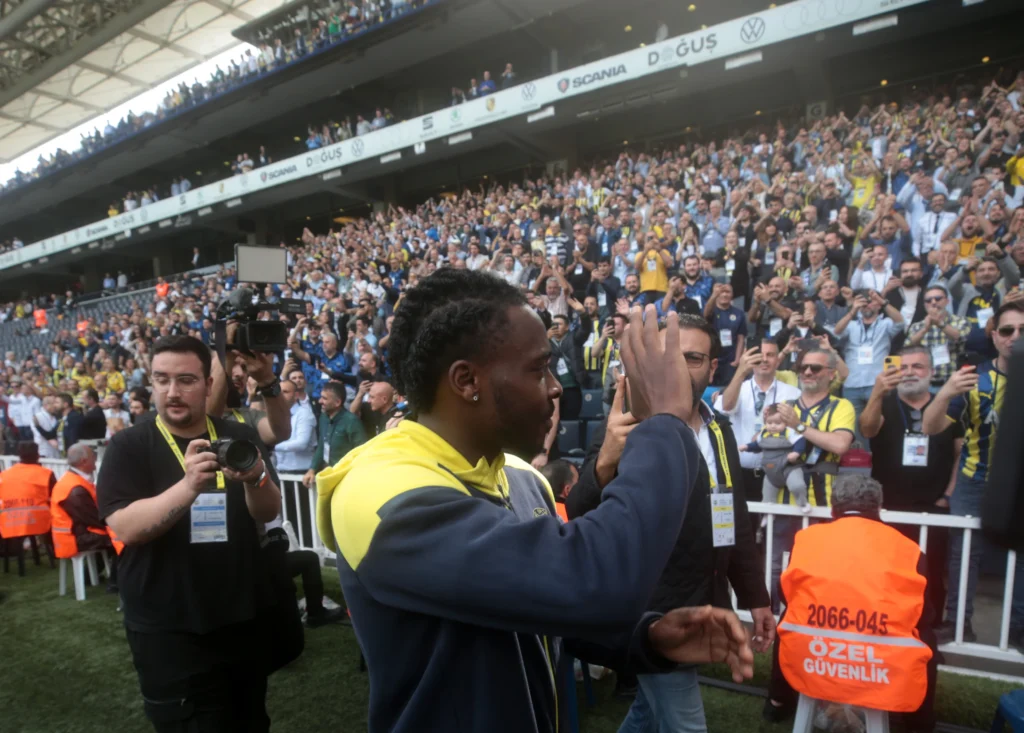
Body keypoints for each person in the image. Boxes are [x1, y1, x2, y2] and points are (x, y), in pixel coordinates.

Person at [314, 270, 753, 733]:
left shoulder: (522, 476)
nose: (555, 386)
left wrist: (647, 637)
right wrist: (665, 423)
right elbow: (593, 580)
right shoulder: (379, 494)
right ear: (467, 380)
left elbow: (544, 612)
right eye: (537, 368)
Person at [568, 315, 771, 733]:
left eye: (692, 358)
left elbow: (733, 517)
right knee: (686, 725)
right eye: (669, 357)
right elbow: (579, 510)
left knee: (646, 712)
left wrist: (756, 596)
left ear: (714, 368)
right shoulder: (628, 422)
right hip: (649, 610)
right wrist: (606, 460)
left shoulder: (720, 430)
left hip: (700, 604)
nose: (677, 367)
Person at [97, 335, 283, 732]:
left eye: (186, 380)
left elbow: (269, 511)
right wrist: (188, 487)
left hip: (239, 615)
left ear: (209, 384)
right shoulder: (129, 445)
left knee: (250, 721)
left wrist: (254, 480)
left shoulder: (239, 436)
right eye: (161, 380)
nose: (172, 391)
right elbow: (126, 528)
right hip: (168, 626)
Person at [766, 475, 937, 732]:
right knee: (926, 635)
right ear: (878, 508)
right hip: (879, 665)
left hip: (813, 656)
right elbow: (925, 615)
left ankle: (777, 701)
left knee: (790, 615)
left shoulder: (806, 539)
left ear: (834, 508)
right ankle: (919, 723)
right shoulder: (909, 549)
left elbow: (784, 595)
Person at [922, 300, 1024, 647]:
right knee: (964, 553)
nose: (1015, 337)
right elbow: (931, 426)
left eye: (1022, 331)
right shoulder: (974, 378)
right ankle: (957, 624)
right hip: (974, 478)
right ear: (995, 336)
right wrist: (946, 392)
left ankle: (1018, 631)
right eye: (1008, 330)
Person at [859, 346, 961, 621]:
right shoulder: (886, 403)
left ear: (930, 372)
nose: (909, 372)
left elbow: (959, 455)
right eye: (903, 367)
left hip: (934, 507)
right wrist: (878, 391)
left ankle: (930, 624)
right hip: (889, 506)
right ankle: (888, 621)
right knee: (887, 569)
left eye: (917, 366)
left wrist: (947, 496)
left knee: (932, 570)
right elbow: (867, 429)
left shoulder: (948, 404)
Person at [770, 347, 856, 607]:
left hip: (823, 503)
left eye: (815, 368)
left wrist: (798, 426)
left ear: (831, 374)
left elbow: (840, 445)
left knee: (820, 566)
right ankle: (774, 619)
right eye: (803, 367)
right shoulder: (783, 407)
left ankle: (814, 615)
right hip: (783, 499)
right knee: (777, 563)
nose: (807, 372)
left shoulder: (842, 406)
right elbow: (768, 444)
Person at [715, 341, 801, 535]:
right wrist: (740, 372)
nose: (764, 359)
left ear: (778, 360)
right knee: (739, 532)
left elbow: (799, 432)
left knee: (773, 532)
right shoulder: (739, 388)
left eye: (770, 355)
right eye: (759, 355)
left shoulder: (793, 394)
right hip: (740, 473)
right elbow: (725, 407)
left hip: (775, 475)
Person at [50, 444, 120, 590]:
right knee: (121, 538)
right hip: (75, 537)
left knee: (110, 535)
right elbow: (94, 518)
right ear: (84, 461)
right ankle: (115, 582)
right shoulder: (75, 489)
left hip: (77, 532)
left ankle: (90, 576)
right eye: (92, 456)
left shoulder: (73, 480)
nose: (95, 459)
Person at [739, 404, 809, 512]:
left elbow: (800, 441)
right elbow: (758, 445)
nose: (773, 426)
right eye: (769, 423)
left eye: (777, 423)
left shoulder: (789, 432)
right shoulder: (764, 433)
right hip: (770, 472)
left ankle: (803, 503)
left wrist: (796, 453)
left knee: (797, 486)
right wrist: (747, 447)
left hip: (788, 468)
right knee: (767, 495)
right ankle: (767, 515)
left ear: (786, 423)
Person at [906, 285, 971, 391]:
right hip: (925, 385)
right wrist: (924, 330)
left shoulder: (961, 321)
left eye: (938, 299)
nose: (933, 302)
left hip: (952, 382)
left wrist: (940, 324)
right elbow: (907, 348)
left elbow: (962, 338)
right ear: (924, 305)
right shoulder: (917, 326)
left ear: (947, 301)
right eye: (928, 300)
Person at [302, 381, 366, 488]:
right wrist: (312, 470)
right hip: (329, 477)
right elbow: (322, 446)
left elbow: (361, 452)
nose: (320, 401)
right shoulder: (323, 418)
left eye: (325, 398)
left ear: (337, 402)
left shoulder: (351, 421)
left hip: (346, 480)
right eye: (321, 397)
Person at [0, 441, 55, 547]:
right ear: (37, 455)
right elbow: (56, 497)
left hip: (8, 524)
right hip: (39, 524)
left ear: (19, 456)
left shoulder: (4, 475)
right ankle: (54, 548)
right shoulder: (45, 474)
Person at [271, 379, 317, 475]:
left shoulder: (304, 413)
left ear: (296, 395)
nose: (280, 395)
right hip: (281, 472)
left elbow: (301, 444)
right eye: (278, 392)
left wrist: (272, 447)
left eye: (285, 392)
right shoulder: (275, 416)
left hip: (302, 473)